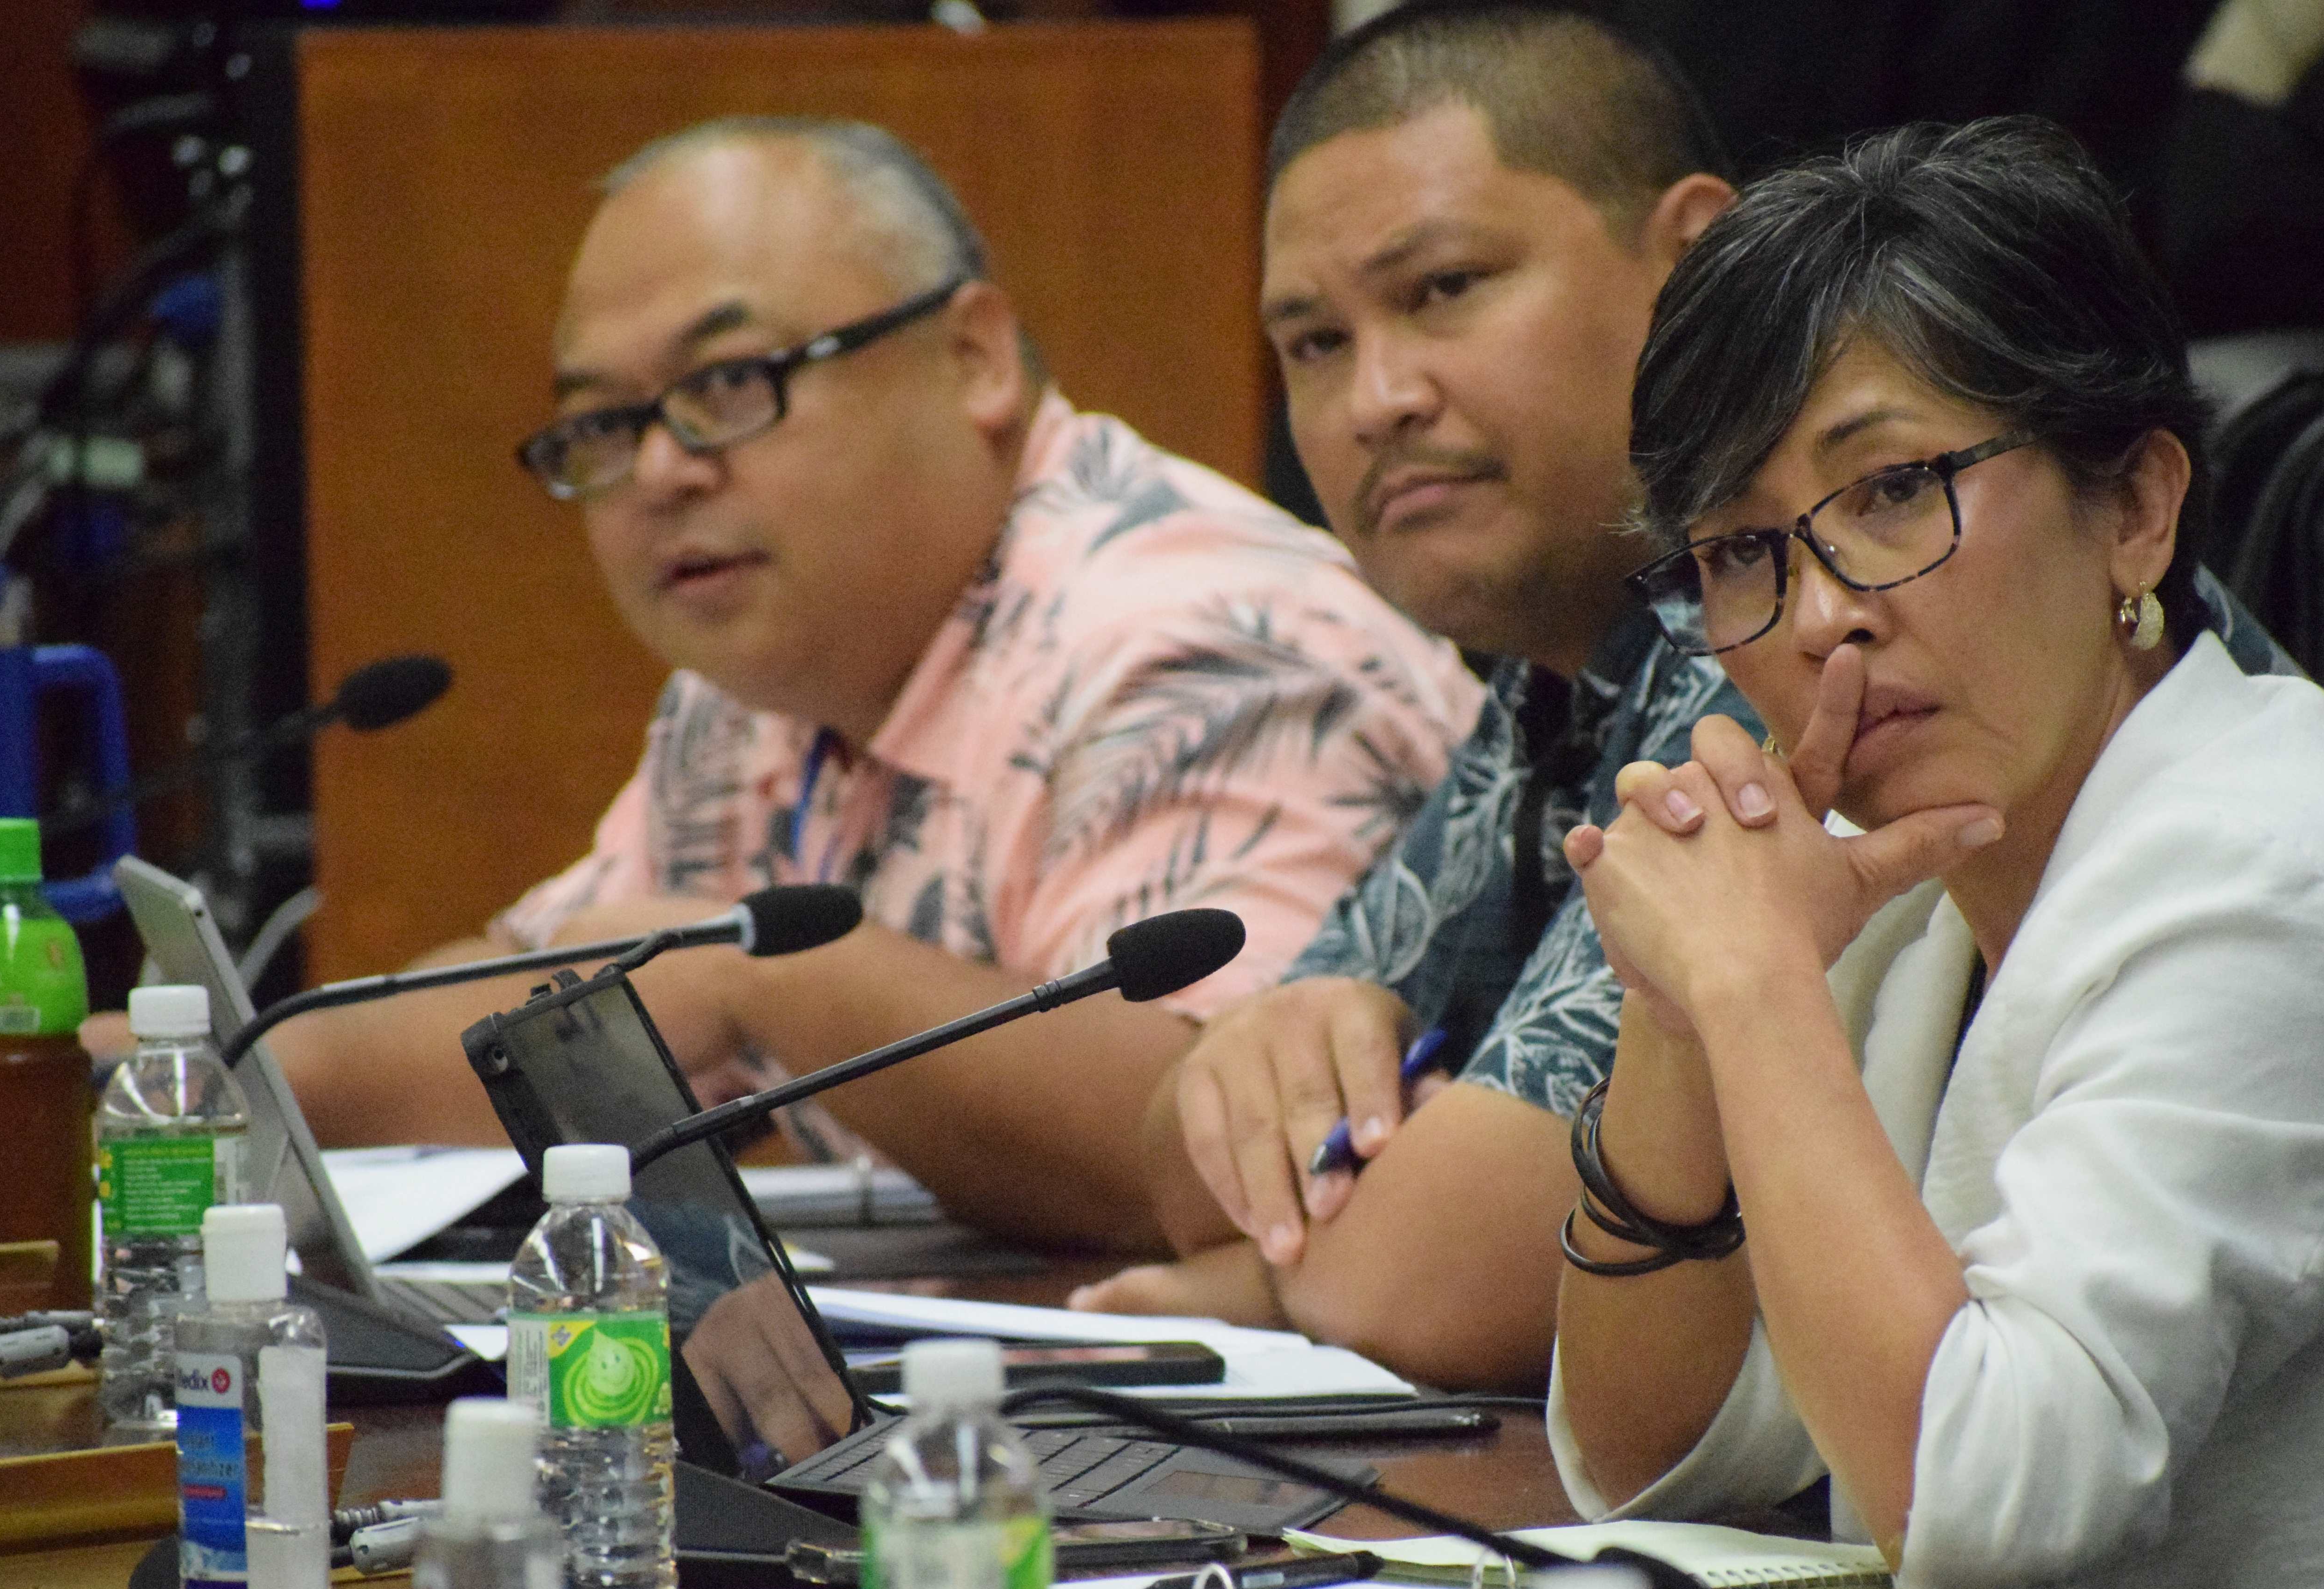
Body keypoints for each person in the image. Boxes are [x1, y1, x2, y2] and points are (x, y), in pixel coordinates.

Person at [1552, 118, 2324, 1589]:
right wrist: (1681, 1003)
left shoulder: (2269, 886)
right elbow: (1659, 1457)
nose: (1826, 613)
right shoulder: (1911, 883)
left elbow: (1975, 1493)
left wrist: (1753, 985)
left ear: (2137, 512)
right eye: (1742, 549)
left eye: (1896, 488)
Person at [253, 118, 1480, 1253]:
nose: (661, 472)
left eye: (729, 384)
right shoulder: (764, 680)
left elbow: (1225, 1148)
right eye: (604, 426)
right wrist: (181, 1071)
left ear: (972, 358)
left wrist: (761, 973)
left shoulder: (1207, 644)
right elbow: (539, 994)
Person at [1067, 0, 1757, 1392]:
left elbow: (1429, 1290)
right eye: (1315, 343)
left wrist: (1270, 1273)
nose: (1376, 397)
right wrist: (1283, 1039)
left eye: (1443, 288)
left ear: (1692, 265)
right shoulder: (1554, 676)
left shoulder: (1794, 629)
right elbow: (1190, 1170)